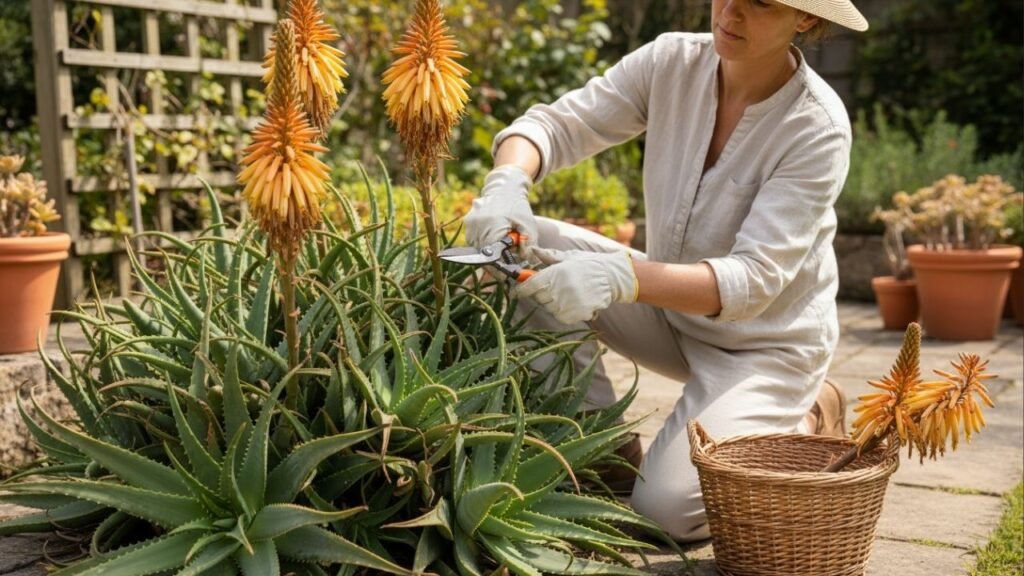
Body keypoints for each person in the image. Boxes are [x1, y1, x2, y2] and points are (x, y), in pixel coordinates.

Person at [463, 0, 868, 542]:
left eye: (761, 3)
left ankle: (809, 409)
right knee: (519, 250)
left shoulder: (817, 127)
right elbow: (554, 126)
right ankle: (601, 440)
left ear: (807, 20)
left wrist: (620, 277)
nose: (731, 11)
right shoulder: (670, 62)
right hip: (670, 314)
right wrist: (506, 183)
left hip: (762, 348)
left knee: (665, 513)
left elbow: (752, 281)